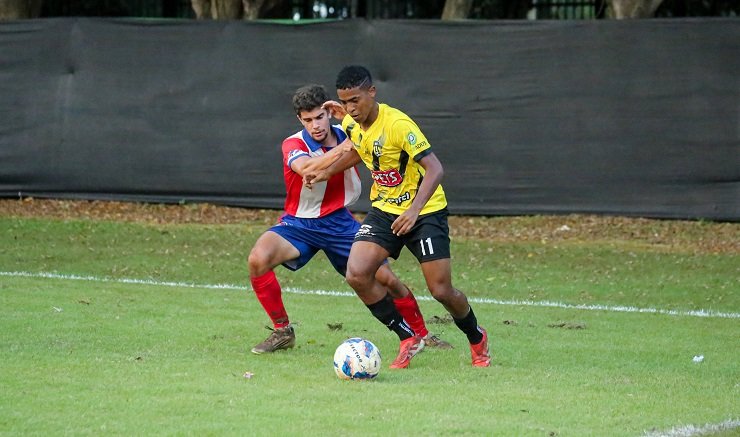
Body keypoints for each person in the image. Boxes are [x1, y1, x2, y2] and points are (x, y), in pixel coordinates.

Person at [306, 66, 491, 367]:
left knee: (441, 290)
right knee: (357, 273)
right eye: (345, 102)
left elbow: (435, 168)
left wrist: (413, 210)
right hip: (384, 209)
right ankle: (408, 337)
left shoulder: (398, 124)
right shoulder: (352, 123)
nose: (351, 109)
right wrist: (327, 172)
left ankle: (476, 336)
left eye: (355, 100)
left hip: (425, 210)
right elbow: (363, 151)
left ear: (372, 92)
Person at [247, 84, 451, 357]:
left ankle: (421, 334)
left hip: (340, 223)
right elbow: (305, 168)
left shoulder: (351, 130)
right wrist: (345, 147)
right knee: (258, 259)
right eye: (307, 120)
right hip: (299, 224)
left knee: (387, 279)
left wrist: (350, 139)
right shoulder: (294, 143)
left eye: (320, 117)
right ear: (299, 120)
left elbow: (376, 141)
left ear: (329, 113)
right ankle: (283, 331)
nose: (315, 125)